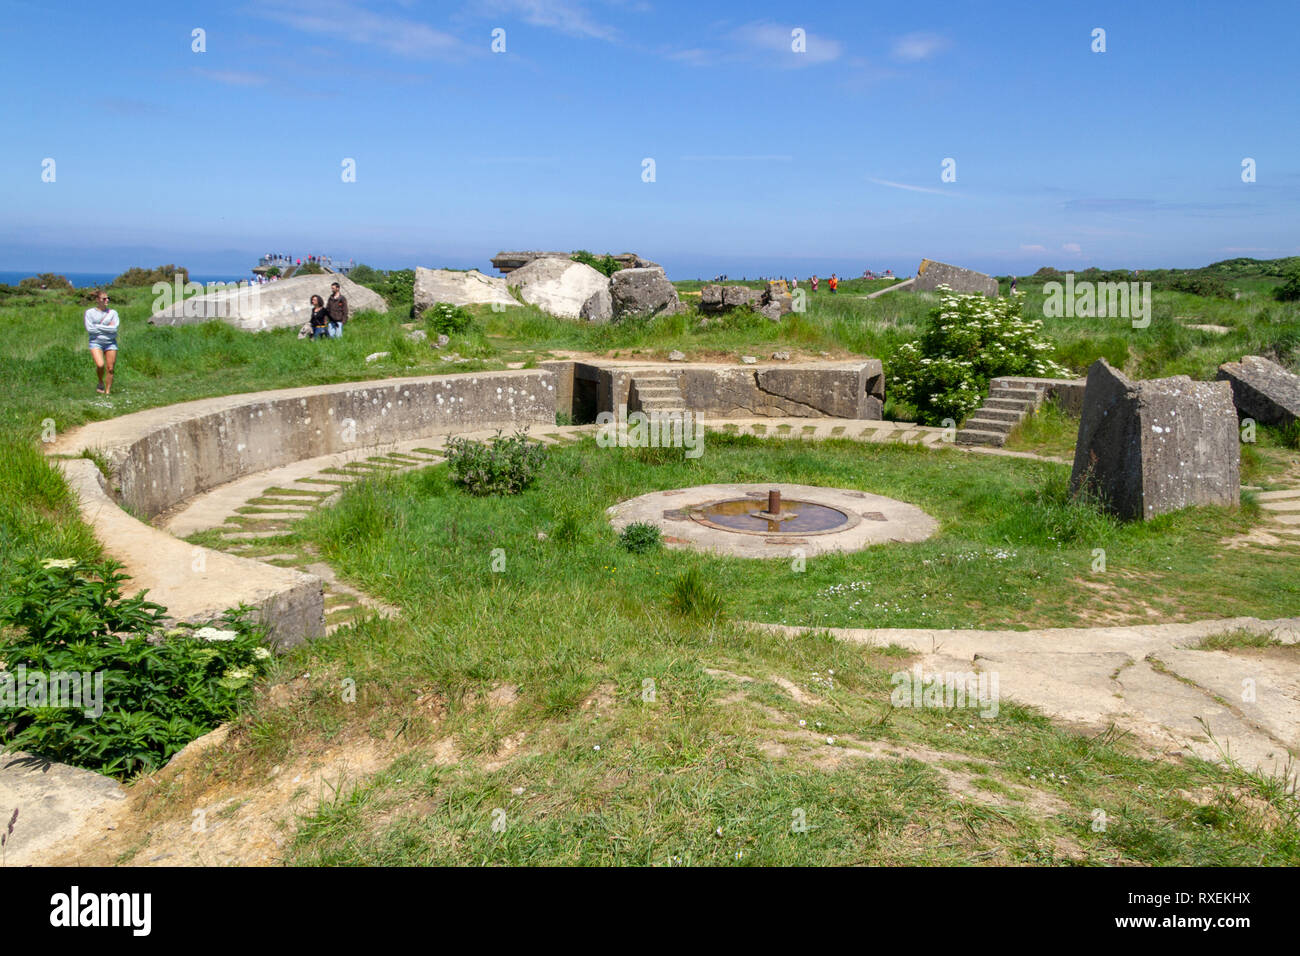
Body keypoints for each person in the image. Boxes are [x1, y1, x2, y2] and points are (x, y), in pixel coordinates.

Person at [84, 290, 120, 395]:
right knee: (100, 365)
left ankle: (107, 392)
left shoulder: (113, 313)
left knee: (110, 368)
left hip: (111, 342)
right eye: (104, 299)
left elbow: (114, 329)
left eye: (108, 298)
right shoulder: (90, 313)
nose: (107, 300)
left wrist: (98, 327)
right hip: (96, 342)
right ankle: (100, 382)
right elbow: (90, 329)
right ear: (97, 300)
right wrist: (107, 327)